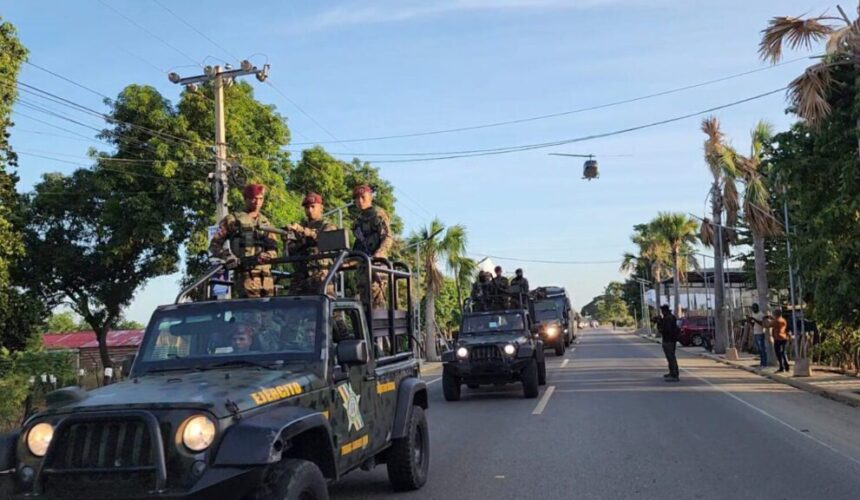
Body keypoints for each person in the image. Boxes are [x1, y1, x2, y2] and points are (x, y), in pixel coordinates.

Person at [208, 184, 280, 298]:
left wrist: (266, 255)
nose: (257, 202)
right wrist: (228, 257)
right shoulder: (233, 220)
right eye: (254, 198)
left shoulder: (265, 222)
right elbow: (214, 245)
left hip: (266, 278)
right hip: (245, 275)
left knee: (268, 311)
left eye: (260, 199)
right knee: (248, 312)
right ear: (246, 199)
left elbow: (274, 249)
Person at [285, 192, 338, 295]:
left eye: (313, 207)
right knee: (291, 305)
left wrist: (306, 232)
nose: (310, 210)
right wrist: (287, 237)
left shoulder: (328, 226)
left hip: (321, 276)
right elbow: (290, 250)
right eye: (307, 207)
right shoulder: (300, 227)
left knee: (325, 305)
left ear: (321, 208)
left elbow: (325, 240)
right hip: (301, 275)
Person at [351, 184, 393, 308]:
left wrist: (379, 254)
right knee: (363, 305)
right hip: (363, 268)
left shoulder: (378, 214)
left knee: (375, 306)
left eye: (363, 197)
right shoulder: (357, 223)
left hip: (377, 267)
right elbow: (357, 245)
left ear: (370, 198)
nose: (360, 201)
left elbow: (388, 237)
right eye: (357, 198)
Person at [658, 305, 680, 381]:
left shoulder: (668, 318)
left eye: (662, 311)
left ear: (665, 311)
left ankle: (674, 375)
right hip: (670, 340)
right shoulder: (669, 317)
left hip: (669, 340)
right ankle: (672, 372)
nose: (662, 313)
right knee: (670, 357)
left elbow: (666, 330)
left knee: (671, 357)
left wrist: (659, 324)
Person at [747, 303, 768, 368]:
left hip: (760, 333)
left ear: (757, 308)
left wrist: (754, 319)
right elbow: (754, 324)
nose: (753, 309)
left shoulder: (761, 314)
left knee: (762, 349)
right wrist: (750, 321)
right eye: (752, 308)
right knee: (759, 350)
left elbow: (762, 323)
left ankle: (764, 364)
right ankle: (762, 363)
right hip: (755, 333)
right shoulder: (753, 314)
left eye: (754, 308)